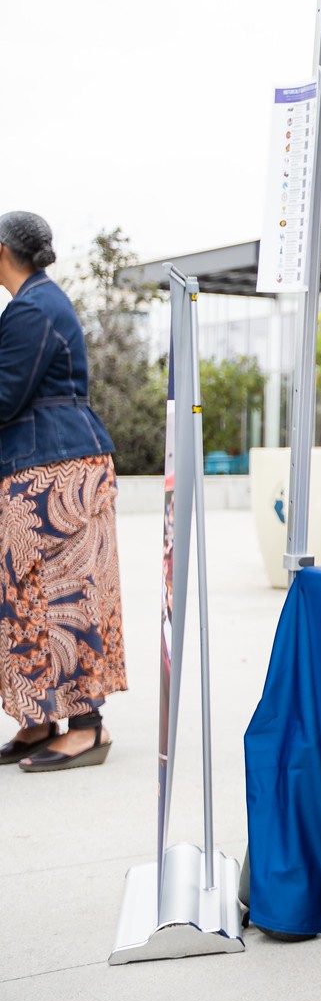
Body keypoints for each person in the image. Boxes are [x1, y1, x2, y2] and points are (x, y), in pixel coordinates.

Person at [0, 212, 126, 771]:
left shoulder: (33, 308)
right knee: (29, 596)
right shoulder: (36, 303)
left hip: (56, 471)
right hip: (47, 464)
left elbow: (5, 395)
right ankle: (39, 719)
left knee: (65, 596)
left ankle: (86, 729)